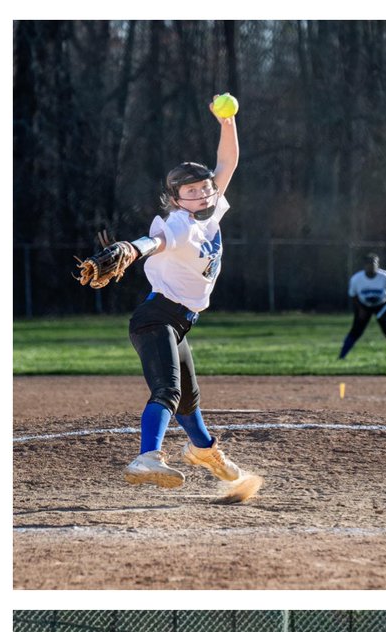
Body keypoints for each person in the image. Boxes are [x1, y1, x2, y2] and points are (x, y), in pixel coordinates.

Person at [74, 97, 257, 492]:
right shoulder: (178, 226)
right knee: (168, 390)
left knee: (188, 400)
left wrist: (228, 122)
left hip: (179, 323)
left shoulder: (211, 210)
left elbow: (228, 163)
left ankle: (205, 449)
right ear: (176, 199)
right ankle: (147, 457)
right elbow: (152, 242)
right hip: (155, 319)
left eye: (205, 188)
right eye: (191, 191)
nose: (203, 195)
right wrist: (129, 249)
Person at [339, 254, 386, 359]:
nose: (371, 265)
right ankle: (342, 356)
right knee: (356, 331)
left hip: (382, 305)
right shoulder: (357, 279)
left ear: (378, 264)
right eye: (369, 263)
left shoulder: (385, 277)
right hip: (364, 305)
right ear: (364, 265)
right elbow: (353, 295)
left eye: (374, 263)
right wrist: (360, 309)